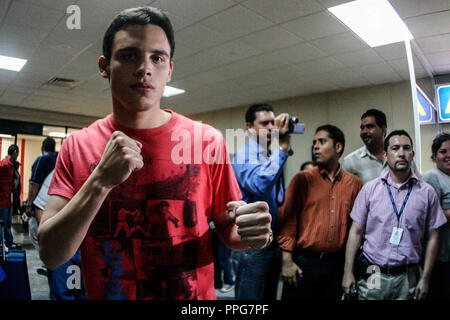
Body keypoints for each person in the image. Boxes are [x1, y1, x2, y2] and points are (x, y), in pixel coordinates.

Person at [37, 6, 272, 300]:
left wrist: (251, 234)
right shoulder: (78, 145)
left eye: (157, 58)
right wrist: (100, 181)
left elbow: (228, 230)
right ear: (104, 66)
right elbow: (50, 255)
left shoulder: (206, 140)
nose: (145, 68)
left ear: (169, 69)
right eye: (129, 55)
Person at [342, 130, 447, 300]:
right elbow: (356, 232)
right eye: (395, 148)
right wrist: (348, 272)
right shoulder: (370, 189)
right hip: (373, 272)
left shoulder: (427, 193)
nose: (401, 153)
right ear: (385, 155)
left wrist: (426, 278)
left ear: (412, 154)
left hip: (408, 276)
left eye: (406, 148)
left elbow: (432, 237)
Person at [277, 125, 362, 300]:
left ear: (338, 147)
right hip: (304, 264)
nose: (315, 146)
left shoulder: (354, 184)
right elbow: (287, 222)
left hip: (336, 266)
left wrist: (349, 269)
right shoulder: (302, 179)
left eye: (322, 141)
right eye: (314, 142)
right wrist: (286, 262)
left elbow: (357, 228)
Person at [232, 103, 292, 300]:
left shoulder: (269, 154)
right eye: (264, 123)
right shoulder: (244, 154)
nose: (271, 128)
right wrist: (282, 149)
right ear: (249, 127)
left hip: (270, 242)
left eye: (273, 123)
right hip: (251, 246)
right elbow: (259, 183)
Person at [33, 170, 86, 300]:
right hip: (65, 247)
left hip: (91, 249)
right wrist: (52, 242)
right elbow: (41, 208)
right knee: (64, 293)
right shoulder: (63, 171)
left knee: (85, 293)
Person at [423, 132, 450, 300]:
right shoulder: (432, 177)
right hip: (440, 258)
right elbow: (429, 217)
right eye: (443, 151)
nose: (448, 156)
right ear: (434, 156)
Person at [342, 109, 387, 184]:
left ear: (383, 130)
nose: (364, 132)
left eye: (370, 127)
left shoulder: (399, 156)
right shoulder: (351, 161)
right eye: (362, 128)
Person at [26, 137, 58, 217]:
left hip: (40, 205)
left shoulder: (42, 159)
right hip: (55, 203)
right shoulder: (58, 158)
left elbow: (34, 184)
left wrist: (29, 204)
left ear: (42, 148)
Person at [0, 145, 19, 249]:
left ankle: (8, 243)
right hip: (2, 200)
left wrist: (14, 179)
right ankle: (5, 243)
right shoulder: (4, 165)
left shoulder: (11, 166)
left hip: (8, 200)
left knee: (7, 223)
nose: (17, 156)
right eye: (17, 153)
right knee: (3, 224)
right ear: (15, 152)